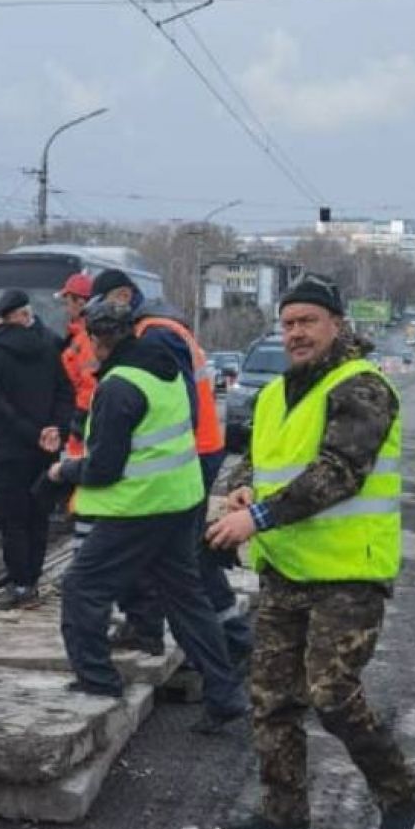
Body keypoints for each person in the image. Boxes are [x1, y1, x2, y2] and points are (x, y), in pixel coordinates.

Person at [205, 276, 415, 829]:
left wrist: (256, 517)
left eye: (307, 321)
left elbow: (339, 473)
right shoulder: (280, 391)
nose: (296, 333)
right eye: (288, 323)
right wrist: (242, 488)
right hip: (288, 570)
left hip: (348, 574)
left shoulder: (362, 388)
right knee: (272, 696)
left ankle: (402, 794)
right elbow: (255, 459)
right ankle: (284, 813)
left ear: (336, 324)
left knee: (331, 693)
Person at [48, 301, 248, 732]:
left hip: (137, 507)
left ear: (99, 341)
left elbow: (103, 469)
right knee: (186, 598)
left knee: (82, 588)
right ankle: (224, 691)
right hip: (179, 500)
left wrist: (63, 470)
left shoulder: (119, 387)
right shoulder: (163, 366)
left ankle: (97, 682)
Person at [85, 268, 249, 672]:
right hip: (192, 453)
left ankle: (231, 644)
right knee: (177, 563)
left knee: (186, 565)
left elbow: (179, 404)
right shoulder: (159, 328)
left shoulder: (156, 333)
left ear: (123, 296)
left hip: (192, 455)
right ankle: (168, 633)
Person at [0, 288, 73, 606]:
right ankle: (32, 578)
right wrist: (54, 430)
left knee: (11, 517)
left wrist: (32, 434)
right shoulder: (48, 347)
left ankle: (20, 584)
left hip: (11, 448)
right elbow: (64, 392)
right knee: (38, 515)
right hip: (47, 449)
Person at [57, 273, 99, 456]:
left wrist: (80, 416)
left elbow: (90, 382)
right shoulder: (78, 336)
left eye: (67, 302)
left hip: (85, 419)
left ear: (80, 302)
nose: (66, 309)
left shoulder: (86, 338)